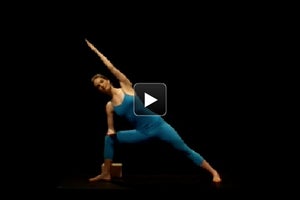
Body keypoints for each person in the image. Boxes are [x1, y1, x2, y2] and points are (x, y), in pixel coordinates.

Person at [85, 39, 222, 183]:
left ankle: (214, 172)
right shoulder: (109, 106)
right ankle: (106, 173)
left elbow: (111, 67)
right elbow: (110, 128)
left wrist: (95, 51)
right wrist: (111, 130)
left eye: (101, 82)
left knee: (184, 149)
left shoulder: (125, 86)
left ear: (107, 80)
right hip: (141, 132)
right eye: (97, 86)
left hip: (159, 126)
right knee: (109, 139)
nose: (101, 86)